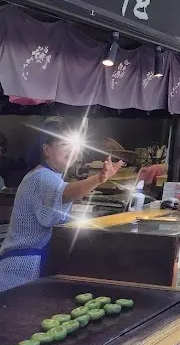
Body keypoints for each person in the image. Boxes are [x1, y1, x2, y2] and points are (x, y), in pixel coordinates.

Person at [0, 118, 123, 292]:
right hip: (20, 270)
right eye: (64, 144)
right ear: (47, 149)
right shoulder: (41, 177)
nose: (71, 150)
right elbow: (68, 192)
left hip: (31, 266)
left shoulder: (52, 176)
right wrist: (99, 178)